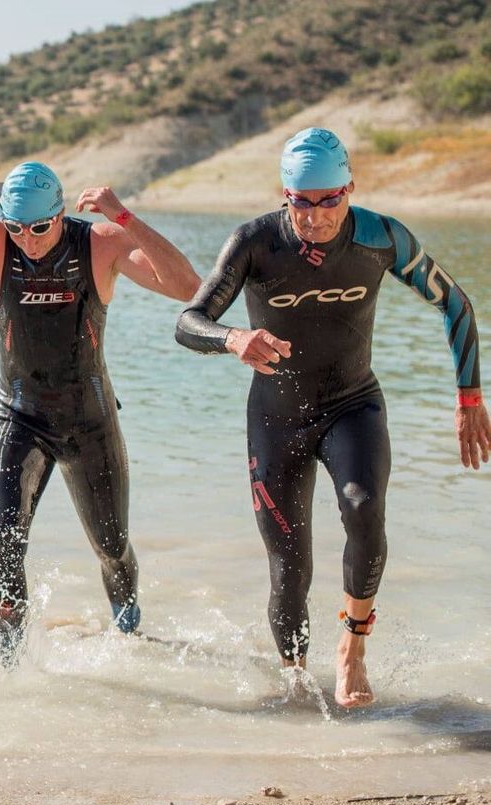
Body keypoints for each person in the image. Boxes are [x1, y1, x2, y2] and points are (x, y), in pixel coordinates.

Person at [176, 128, 487, 707]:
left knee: (363, 508)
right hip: (276, 417)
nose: (317, 216)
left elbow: (456, 303)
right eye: (302, 201)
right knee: (289, 565)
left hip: (352, 404)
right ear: (284, 194)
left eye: (330, 200)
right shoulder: (255, 242)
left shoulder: (380, 237)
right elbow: (189, 321)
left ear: (349, 189)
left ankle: (352, 649)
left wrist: (469, 397)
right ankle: (295, 683)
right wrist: (233, 338)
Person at [0, 162, 200, 662]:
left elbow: (187, 287)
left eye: (40, 226)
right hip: (19, 418)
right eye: (16, 226)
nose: (27, 240)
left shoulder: (100, 244)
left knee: (112, 547)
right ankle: (7, 663)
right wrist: (6, 190)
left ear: (59, 212)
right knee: (3, 537)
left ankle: (128, 634)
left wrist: (127, 217)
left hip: (89, 422)